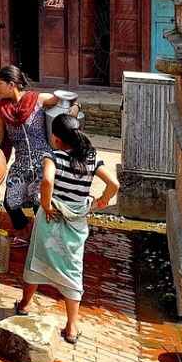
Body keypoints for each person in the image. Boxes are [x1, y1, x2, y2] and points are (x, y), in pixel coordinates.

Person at [16, 114, 119, 344]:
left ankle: (24, 305)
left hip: (51, 219)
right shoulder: (91, 158)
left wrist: (45, 204)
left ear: (56, 138)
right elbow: (114, 184)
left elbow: (47, 182)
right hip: (76, 223)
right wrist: (102, 200)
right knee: (73, 270)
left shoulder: (52, 156)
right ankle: (72, 327)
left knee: (36, 260)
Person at [0, 65, 60, 248]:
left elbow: (62, 99)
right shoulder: (0, 110)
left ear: (11, 84)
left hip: (43, 159)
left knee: (41, 203)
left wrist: (75, 106)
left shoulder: (37, 99)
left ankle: (43, 240)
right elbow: (0, 138)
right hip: (21, 160)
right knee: (10, 202)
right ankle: (24, 229)